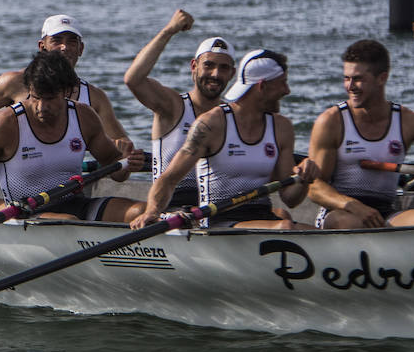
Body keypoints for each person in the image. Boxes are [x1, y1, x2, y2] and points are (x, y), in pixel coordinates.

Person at [0, 51, 144, 222]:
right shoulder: (4, 124)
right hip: (25, 211)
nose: (41, 107)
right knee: (68, 223)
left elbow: (116, 170)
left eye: (49, 99)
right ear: (29, 89)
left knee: (141, 211)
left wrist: (127, 162)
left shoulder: (84, 117)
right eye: (36, 97)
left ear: (67, 91)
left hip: (76, 204)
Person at [130, 49, 317, 231]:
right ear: (262, 86)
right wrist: (152, 211)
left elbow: (290, 199)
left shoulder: (282, 127)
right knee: (285, 226)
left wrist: (304, 179)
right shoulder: (211, 124)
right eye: (282, 83)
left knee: (301, 227)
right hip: (219, 221)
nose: (287, 90)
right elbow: (169, 179)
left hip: (262, 217)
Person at [306, 40, 414, 228]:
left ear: (382, 78)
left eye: (358, 79)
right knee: (350, 222)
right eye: (346, 78)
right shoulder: (332, 121)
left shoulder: (408, 121)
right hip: (340, 211)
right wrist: (353, 205)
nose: (350, 86)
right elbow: (314, 187)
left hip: (386, 212)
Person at [122, 10, 235, 208]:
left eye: (223, 68)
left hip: (217, 206)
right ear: (194, 66)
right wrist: (169, 30)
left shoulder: (232, 115)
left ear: (232, 73)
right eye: (208, 65)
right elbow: (134, 79)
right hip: (171, 204)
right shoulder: (173, 106)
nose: (215, 74)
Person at [0, 14, 131, 148]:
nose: (64, 47)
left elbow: (122, 143)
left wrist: (125, 151)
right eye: (57, 41)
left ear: (81, 49)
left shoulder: (95, 97)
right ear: (42, 46)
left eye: (72, 42)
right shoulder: (14, 82)